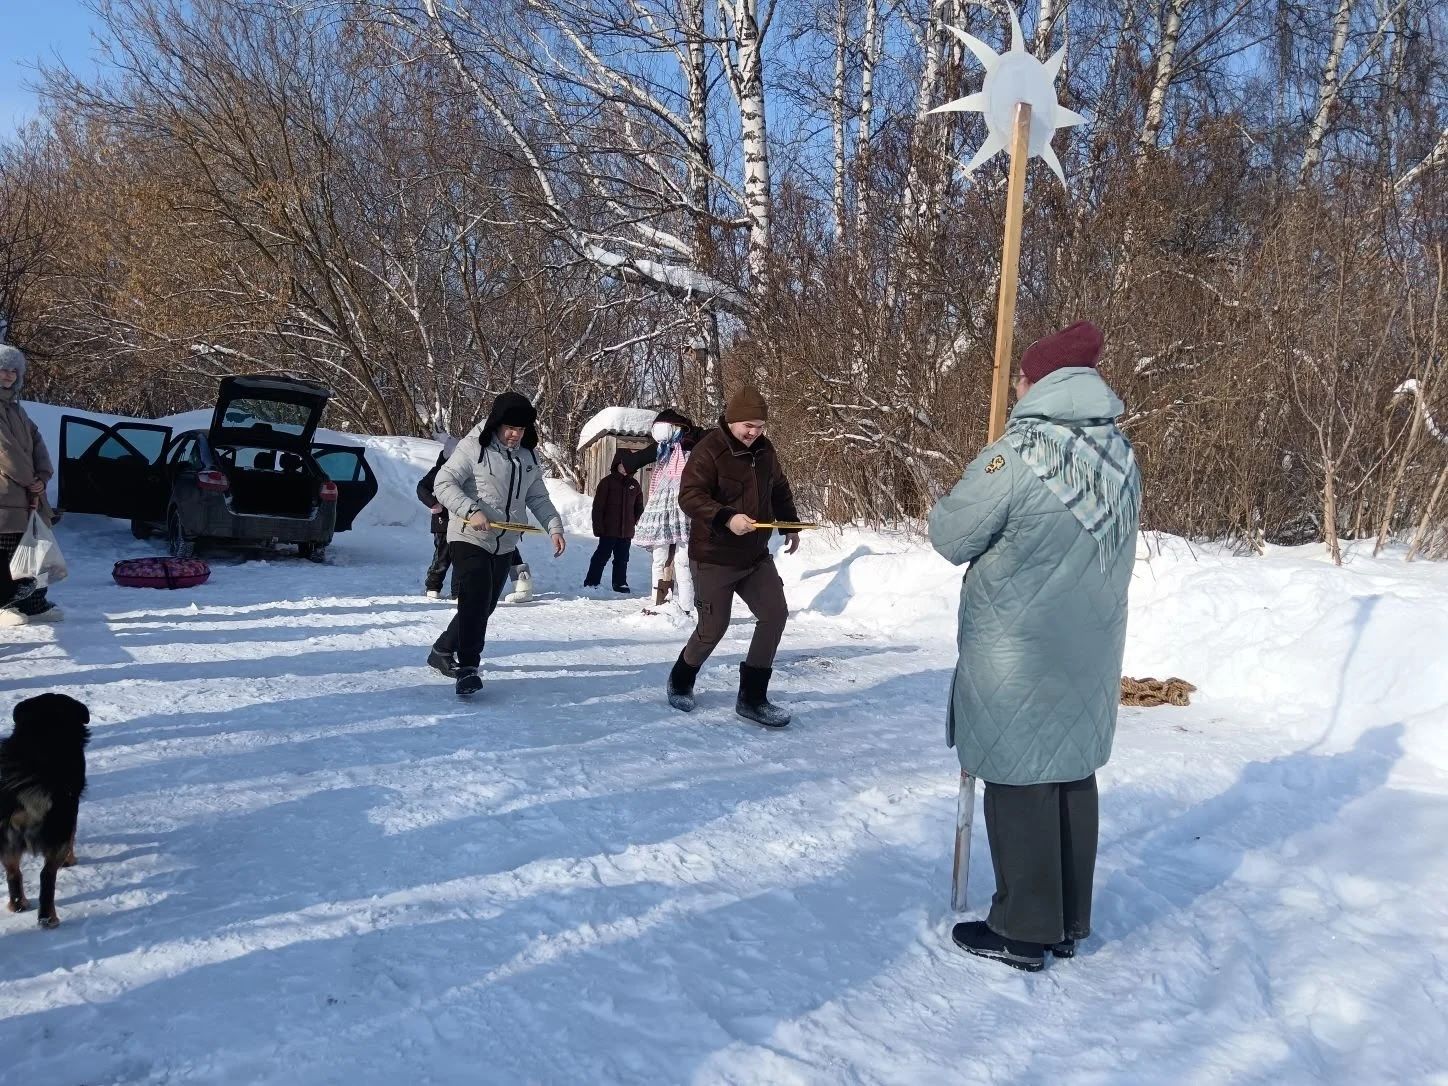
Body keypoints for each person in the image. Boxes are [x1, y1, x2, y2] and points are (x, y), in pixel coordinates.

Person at [927, 321, 1141, 972]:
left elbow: (951, 535)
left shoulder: (1016, 456)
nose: (1016, 385)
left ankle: (1022, 930)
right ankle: (1067, 921)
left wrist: (968, 479)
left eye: (1022, 376)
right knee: (1071, 771)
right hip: (1089, 648)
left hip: (1016, 648)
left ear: (1039, 383)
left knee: (1019, 778)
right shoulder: (1119, 457)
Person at [668, 387, 800, 728]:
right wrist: (727, 516)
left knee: (775, 615)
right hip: (714, 555)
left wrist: (790, 526)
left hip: (754, 556)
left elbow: (779, 487)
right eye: (747, 425)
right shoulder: (709, 449)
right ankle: (681, 678)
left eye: (759, 425)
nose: (753, 432)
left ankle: (752, 698)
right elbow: (690, 496)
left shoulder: (765, 451)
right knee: (713, 628)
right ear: (731, 420)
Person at [427, 391, 565, 696]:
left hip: (504, 542)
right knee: (475, 596)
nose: (515, 434)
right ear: (497, 424)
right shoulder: (472, 447)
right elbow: (443, 483)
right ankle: (468, 668)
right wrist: (471, 510)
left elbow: (538, 497)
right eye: (510, 428)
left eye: (521, 429)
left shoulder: (528, 456)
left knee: (485, 605)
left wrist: (554, 527)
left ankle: (442, 649)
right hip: (468, 535)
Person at [0, 344, 63, 627]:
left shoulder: (16, 409)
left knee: (33, 552)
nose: (9, 375)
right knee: (5, 556)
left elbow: (37, 443)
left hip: (26, 496)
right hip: (5, 496)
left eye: (14, 370)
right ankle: (4, 607)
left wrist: (43, 476)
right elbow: (6, 452)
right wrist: (31, 481)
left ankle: (34, 605)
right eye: (3, 369)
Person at [631, 409, 697, 616]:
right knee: (660, 557)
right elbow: (653, 478)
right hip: (661, 510)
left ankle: (687, 606)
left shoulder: (690, 453)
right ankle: (658, 601)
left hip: (684, 510)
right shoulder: (663, 455)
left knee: (683, 560)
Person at [584, 451, 644, 592]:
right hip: (608, 529)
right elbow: (598, 507)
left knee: (622, 559)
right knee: (602, 556)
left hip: (626, 532)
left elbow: (639, 506)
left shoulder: (634, 484)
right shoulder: (607, 482)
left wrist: (632, 521)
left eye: (628, 465)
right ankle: (592, 581)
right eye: (622, 464)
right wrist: (598, 527)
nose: (624, 467)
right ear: (616, 464)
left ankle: (620, 583)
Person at [417, 433, 460, 599]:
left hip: (462, 520)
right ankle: (433, 585)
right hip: (442, 520)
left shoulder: (467, 474)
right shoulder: (438, 472)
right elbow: (422, 488)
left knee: (461, 556)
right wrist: (434, 503)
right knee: (442, 555)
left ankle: (458, 591)